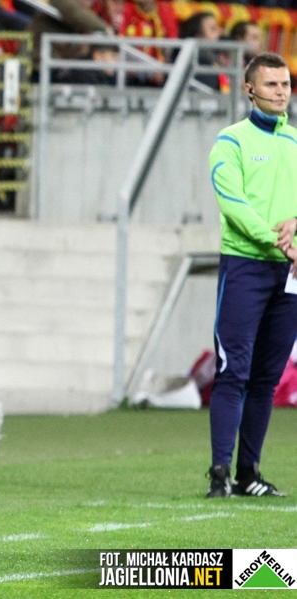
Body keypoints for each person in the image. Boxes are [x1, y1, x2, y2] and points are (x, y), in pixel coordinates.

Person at [205, 52, 297, 498]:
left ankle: (248, 474)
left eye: (286, 84)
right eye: (272, 84)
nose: (281, 91)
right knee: (233, 371)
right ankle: (219, 472)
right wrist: (277, 240)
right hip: (245, 266)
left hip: (289, 272)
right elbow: (233, 204)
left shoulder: (295, 141)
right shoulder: (230, 142)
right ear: (249, 90)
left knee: (267, 378)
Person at [28, 0, 113, 81]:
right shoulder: (64, 3)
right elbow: (75, 14)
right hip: (43, 66)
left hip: (57, 64)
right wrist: (105, 28)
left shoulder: (79, 8)